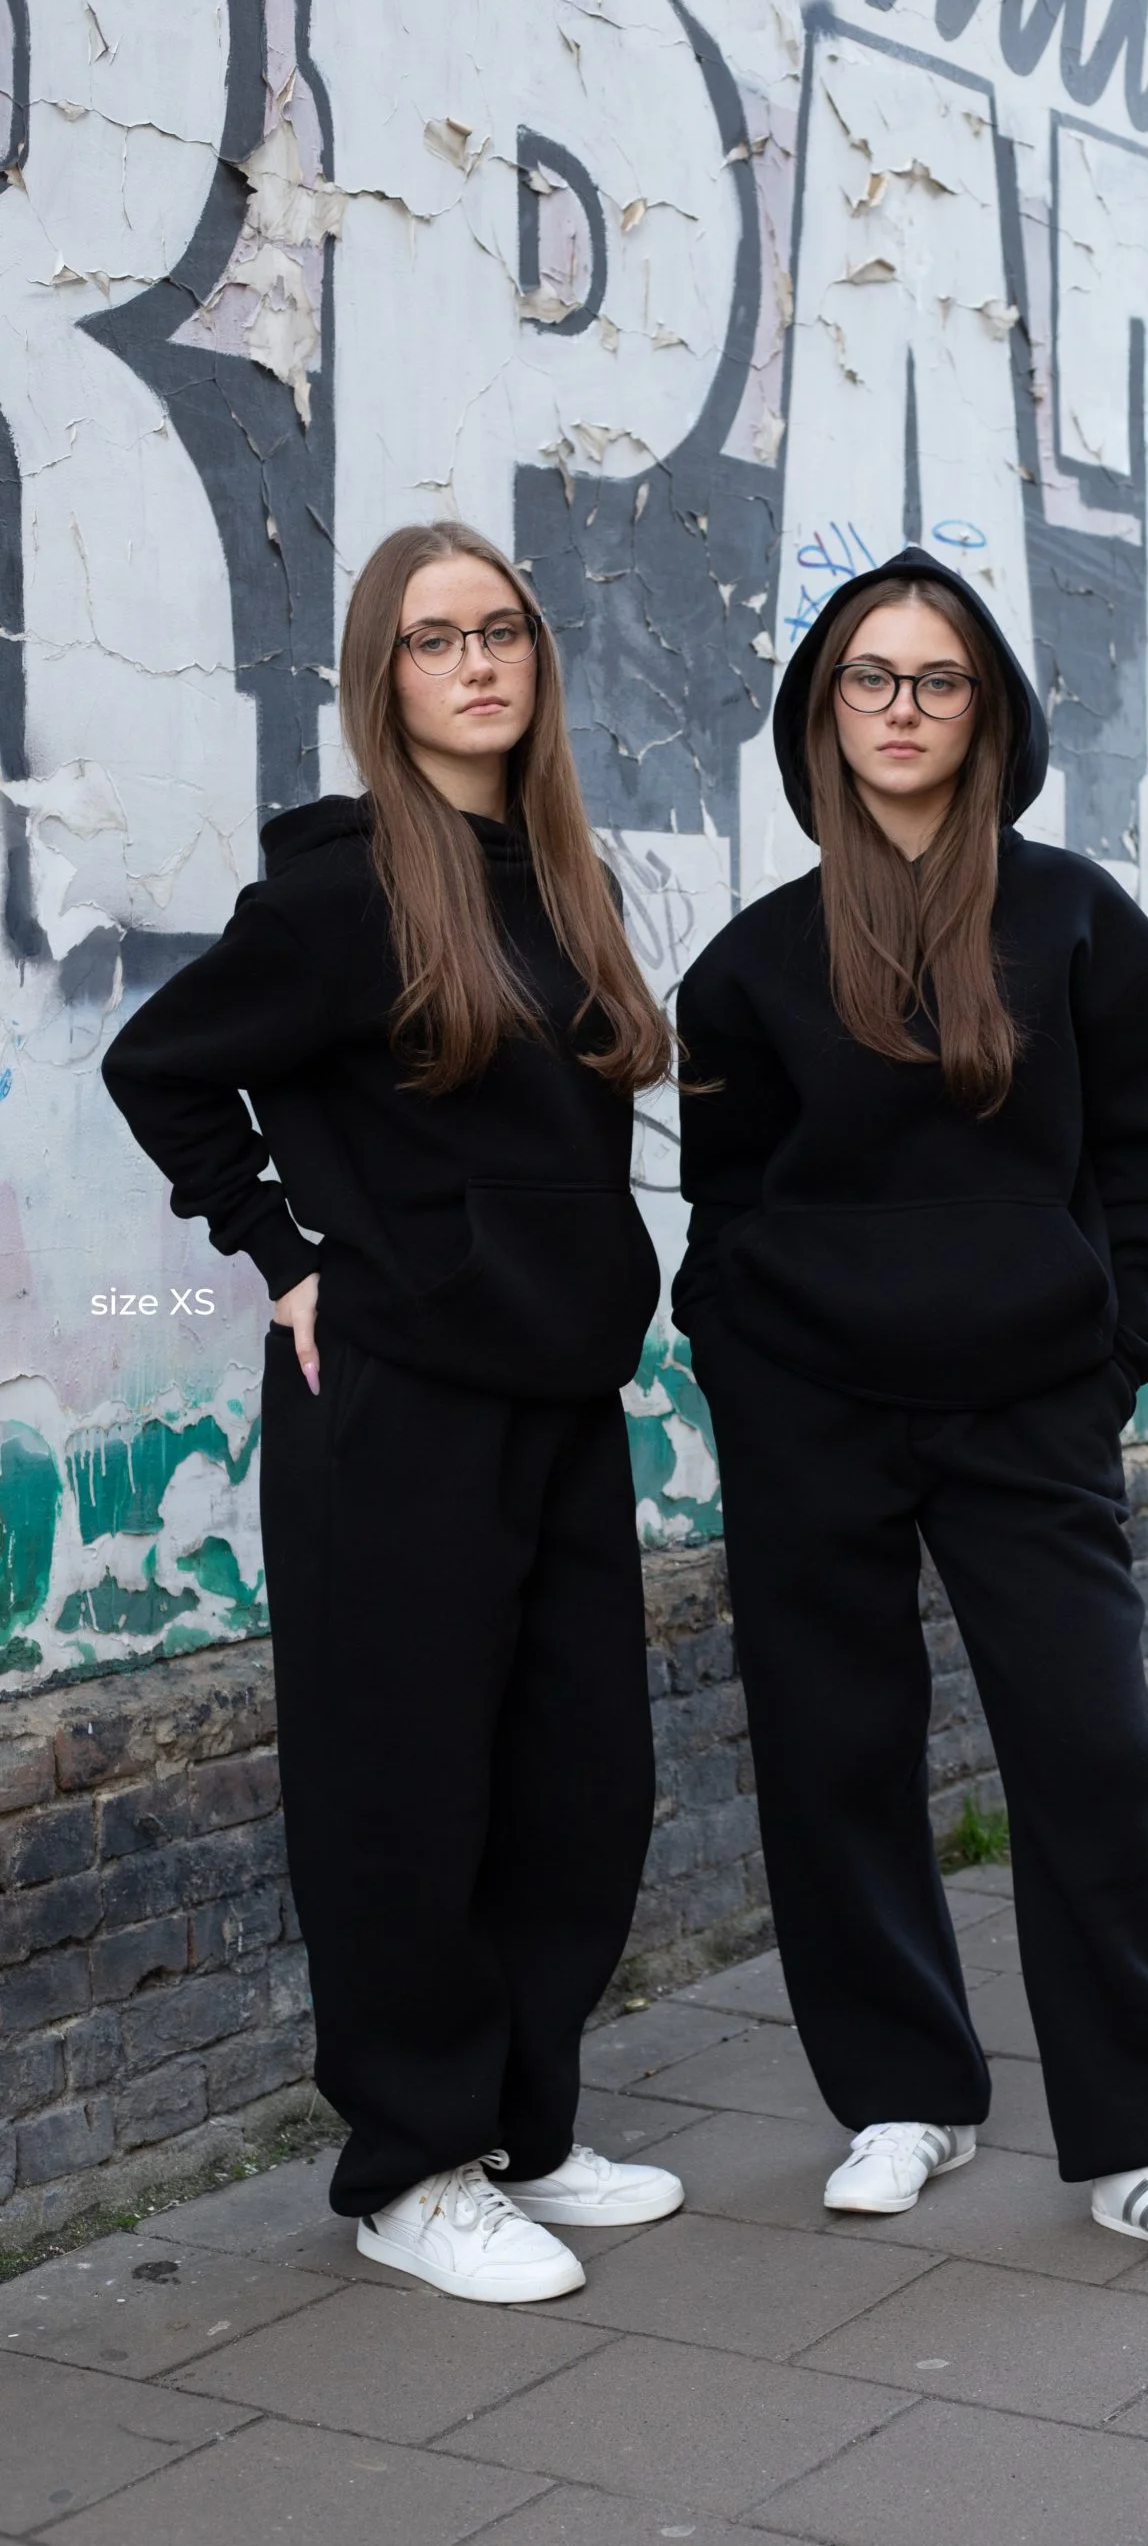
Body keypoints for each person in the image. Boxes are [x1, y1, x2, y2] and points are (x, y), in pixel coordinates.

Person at [672, 545, 1148, 2282]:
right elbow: (725, 1206)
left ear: (987, 709)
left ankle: (1146, 2148)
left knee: (1090, 1760)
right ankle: (903, 2095)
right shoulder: (750, 963)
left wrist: (1107, 1353)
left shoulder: (1079, 921)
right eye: (868, 677)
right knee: (832, 1758)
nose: (902, 709)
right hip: (812, 1416)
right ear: (821, 710)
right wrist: (752, 1374)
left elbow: (1137, 1175)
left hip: (1027, 1413)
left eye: (936, 679)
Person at [103, 522, 684, 2305]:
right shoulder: (340, 896)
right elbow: (159, 1064)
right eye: (436, 639)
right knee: (405, 1792)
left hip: (560, 1390)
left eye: (501, 629)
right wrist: (285, 1254)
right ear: (384, 677)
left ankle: (522, 2128)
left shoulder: (562, 877)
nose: (478, 662)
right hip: (399, 1398)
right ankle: (408, 2170)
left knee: (577, 1783)